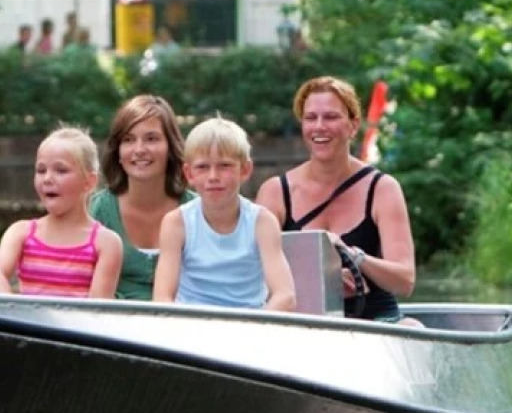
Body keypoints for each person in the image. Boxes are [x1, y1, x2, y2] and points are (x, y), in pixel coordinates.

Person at [254, 76, 416, 321]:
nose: (319, 126)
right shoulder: (275, 192)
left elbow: (405, 281)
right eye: (310, 118)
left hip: (376, 323)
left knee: (413, 327)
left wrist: (355, 258)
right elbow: (251, 271)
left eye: (331, 117)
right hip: (303, 325)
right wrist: (321, 276)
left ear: (353, 125)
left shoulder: (383, 188)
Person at [154, 117, 296, 311]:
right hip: (191, 326)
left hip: (249, 324)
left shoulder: (262, 222)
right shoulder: (176, 223)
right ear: (189, 174)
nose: (213, 176)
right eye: (203, 167)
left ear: (245, 170)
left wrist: (251, 329)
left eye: (224, 166)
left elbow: (285, 295)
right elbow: (162, 298)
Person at [0, 127, 123, 298]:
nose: (47, 179)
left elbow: (97, 310)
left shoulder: (106, 243)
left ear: (89, 182)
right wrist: (13, 311)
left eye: (61, 170)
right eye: (41, 170)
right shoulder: (20, 232)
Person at [88, 95, 193, 301]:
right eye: (128, 140)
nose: (139, 150)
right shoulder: (98, 209)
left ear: (171, 147)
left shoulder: (196, 210)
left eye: (151, 139)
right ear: (117, 151)